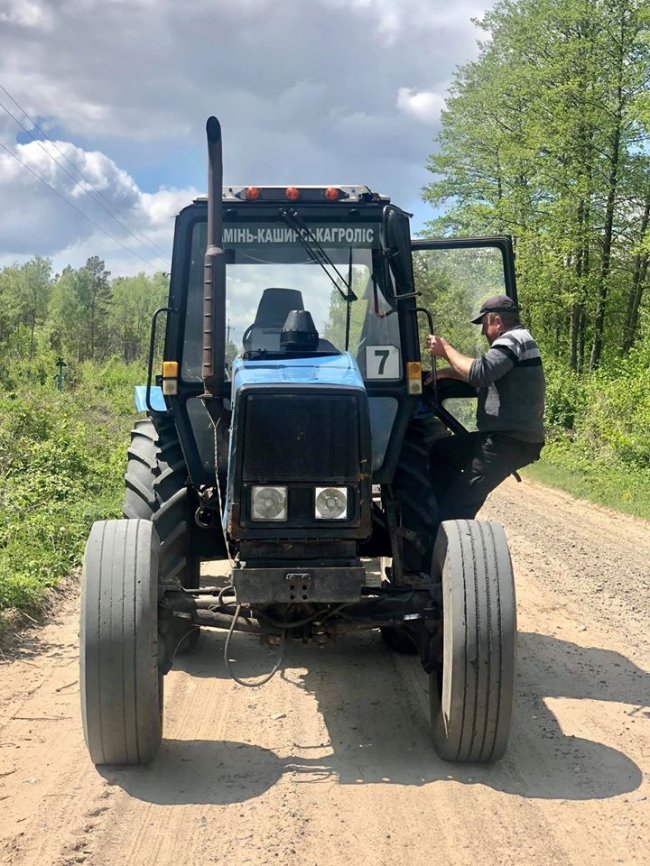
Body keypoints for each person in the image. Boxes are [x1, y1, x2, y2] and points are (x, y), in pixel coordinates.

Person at [426, 294, 545, 522]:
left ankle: (449, 539)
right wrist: (447, 372)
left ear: (497, 322)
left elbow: (481, 374)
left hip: (509, 441)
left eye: (484, 325)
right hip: (502, 438)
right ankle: (449, 507)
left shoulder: (514, 339)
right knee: (441, 453)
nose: (483, 332)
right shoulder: (518, 341)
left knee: (458, 505)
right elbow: (488, 371)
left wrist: (445, 349)